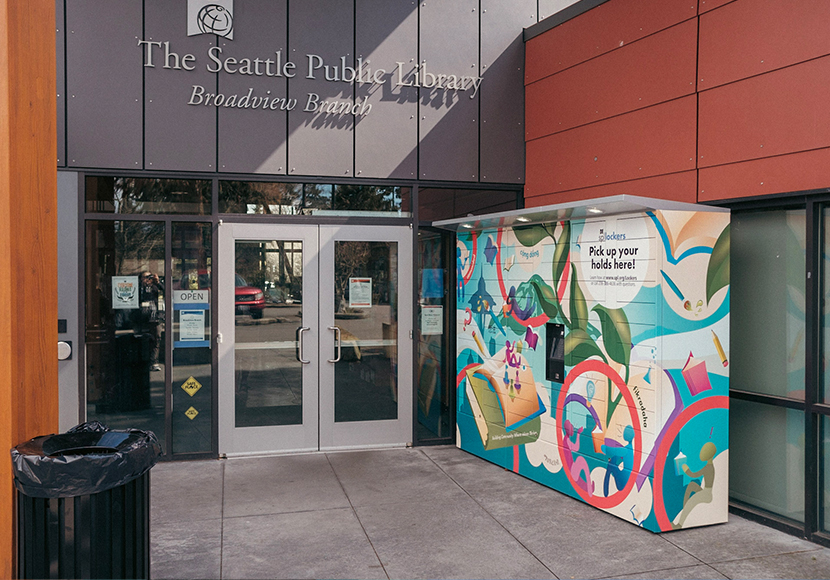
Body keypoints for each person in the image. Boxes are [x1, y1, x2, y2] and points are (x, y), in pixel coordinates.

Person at [139, 271, 163, 371]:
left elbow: (166, 292)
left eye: (150, 277)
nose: (148, 279)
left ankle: (154, 361)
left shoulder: (155, 287)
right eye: (145, 277)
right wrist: (143, 285)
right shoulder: (139, 288)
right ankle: (142, 363)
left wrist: (158, 283)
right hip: (141, 317)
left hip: (154, 317)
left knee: (156, 338)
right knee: (142, 339)